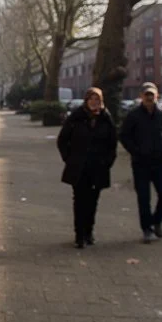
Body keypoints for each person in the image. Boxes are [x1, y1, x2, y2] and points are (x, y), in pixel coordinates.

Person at [56, 87, 117, 248]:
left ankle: (89, 231)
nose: (94, 103)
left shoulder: (106, 118)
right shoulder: (76, 117)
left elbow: (112, 143)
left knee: (93, 201)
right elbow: (62, 140)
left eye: (97, 100)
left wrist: (107, 162)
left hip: (98, 167)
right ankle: (79, 235)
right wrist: (69, 159)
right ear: (86, 101)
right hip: (79, 167)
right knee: (79, 200)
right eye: (91, 99)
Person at [119, 82, 162, 243]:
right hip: (141, 163)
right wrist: (135, 150)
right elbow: (124, 135)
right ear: (141, 96)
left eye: (152, 95)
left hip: (160, 162)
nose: (149, 98)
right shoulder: (134, 115)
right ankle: (147, 229)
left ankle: (157, 221)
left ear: (156, 96)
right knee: (144, 198)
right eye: (146, 95)